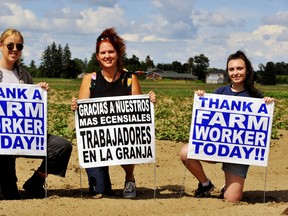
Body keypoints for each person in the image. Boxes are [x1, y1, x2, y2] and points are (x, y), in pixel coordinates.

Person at [71, 27, 156, 198]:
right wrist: (77, 106)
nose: (107, 56)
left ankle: (130, 178)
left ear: (118, 54)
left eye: (111, 51)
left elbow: (138, 115)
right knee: (100, 191)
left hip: (121, 137)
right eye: (103, 53)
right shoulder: (90, 79)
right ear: (97, 56)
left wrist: (149, 103)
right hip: (98, 142)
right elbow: (83, 115)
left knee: (128, 139)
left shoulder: (130, 79)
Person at [180, 50, 275, 202]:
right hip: (216, 146)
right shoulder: (219, 92)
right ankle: (205, 184)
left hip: (238, 154)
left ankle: (228, 186)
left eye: (239, 68)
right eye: (232, 69)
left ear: (247, 70)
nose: (235, 72)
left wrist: (268, 104)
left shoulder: (256, 97)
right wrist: (202, 98)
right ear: (227, 71)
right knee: (185, 153)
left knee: (232, 199)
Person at [0, 28, 73, 200]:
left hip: (23, 135)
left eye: (19, 46)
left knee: (62, 146)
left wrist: (39, 92)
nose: (15, 49)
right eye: (10, 45)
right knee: (8, 195)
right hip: (2, 139)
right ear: (1, 45)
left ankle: (36, 181)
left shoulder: (24, 75)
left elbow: (31, 110)